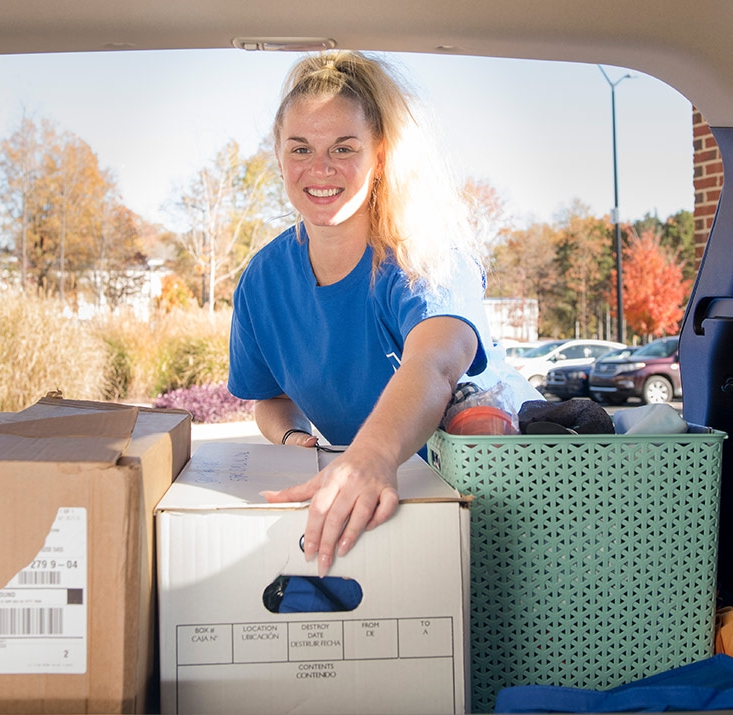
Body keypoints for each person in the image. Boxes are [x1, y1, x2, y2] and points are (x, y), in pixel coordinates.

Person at [228, 50, 537, 579]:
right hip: (383, 496)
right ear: (279, 157)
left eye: (344, 148)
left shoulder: (423, 254)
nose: (319, 169)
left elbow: (436, 362)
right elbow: (271, 399)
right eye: (300, 148)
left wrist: (370, 456)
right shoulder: (262, 281)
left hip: (505, 492)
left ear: (381, 157)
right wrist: (293, 438)